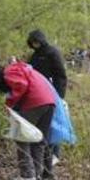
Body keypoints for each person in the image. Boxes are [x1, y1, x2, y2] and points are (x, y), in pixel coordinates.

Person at [0, 61, 56, 180]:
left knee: (22, 137)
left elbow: (22, 85)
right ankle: (36, 176)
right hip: (50, 102)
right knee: (38, 140)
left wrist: (9, 102)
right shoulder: (23, 68)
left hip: (35, 102)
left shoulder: (9, 72)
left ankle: (28, 176)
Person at [26, 29, 67, 165]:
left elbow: (60, 75)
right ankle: (42, 159)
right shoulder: (35, 55)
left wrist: (60, 96)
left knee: (53, 125)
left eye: (37, 42)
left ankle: (54, 153)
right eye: (33, 43)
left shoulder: (52, 53)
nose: (35, 45)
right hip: (37, 93)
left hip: (52, 92)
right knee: (44, 126)